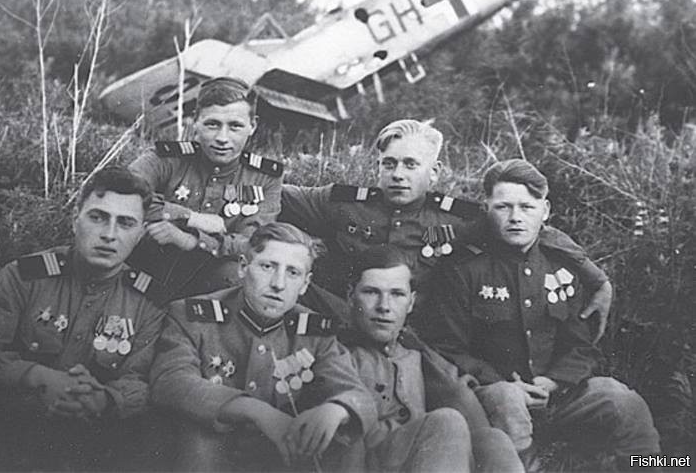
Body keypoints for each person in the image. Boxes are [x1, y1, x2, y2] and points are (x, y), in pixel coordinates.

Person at [415, 159, 660, 471]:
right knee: (507, 401)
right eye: (503, 207)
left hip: (555, 394)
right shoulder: (463, 270)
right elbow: (447, 348)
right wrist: (503, 383)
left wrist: (552, 382)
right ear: (487, 209)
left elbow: (581, 347)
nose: (515, 217)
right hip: (494, 396)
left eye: (527, 207)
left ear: (545, 211)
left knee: (623, 401)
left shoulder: (562, 267)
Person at [281, 118, 613, 339]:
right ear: (378, 167)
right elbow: (277, 192)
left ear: (435, 172)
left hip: (415, 339)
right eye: (389, 164)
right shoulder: (342, 203)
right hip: (342, 329)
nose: (398, 174)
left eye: (411, 165)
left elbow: (530, 230)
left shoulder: (459, 219)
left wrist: (598, 280)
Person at [0, 167, 166, 471]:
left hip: (89, 435)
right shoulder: (26, 276)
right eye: (98, 217)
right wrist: (36, 376)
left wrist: (104, 399)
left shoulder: (149, 302)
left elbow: (143, 381)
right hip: (10, 420)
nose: (109, 234)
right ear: (75, 219)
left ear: (141, 233)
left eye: (125, 223)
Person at [149, 222, 377, 471]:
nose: (278, 284)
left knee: (345, 440)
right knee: (197, 438)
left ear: (305, 284)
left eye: (293, 273)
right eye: (268, 267)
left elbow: (359, 396)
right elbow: (170, 381)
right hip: (213, 456)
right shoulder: (192, 315)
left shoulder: (314, 332)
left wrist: (337, 409)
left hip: (279, 459)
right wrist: (256, 411)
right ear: (243, 267)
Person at [340, 245, 523, 472]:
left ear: (411, 302)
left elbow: (456, 392)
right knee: (446, 422)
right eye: (371, 292)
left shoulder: (416, 354)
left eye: (397, 294)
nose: (384, 306)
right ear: (350, 296)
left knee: (493, 440)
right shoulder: (336, 353)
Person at [128, 76, 284, 304]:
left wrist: (193, 240)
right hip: (151, 263)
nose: (222, 138)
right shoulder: (166, 158)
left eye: (235, 126)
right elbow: (122, 191)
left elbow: (254, 245)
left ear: (253, 126)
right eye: (212, 124)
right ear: (195, 122)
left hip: (211, 279)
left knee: (240, 275)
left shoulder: (265, 177)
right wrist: (190, 217)